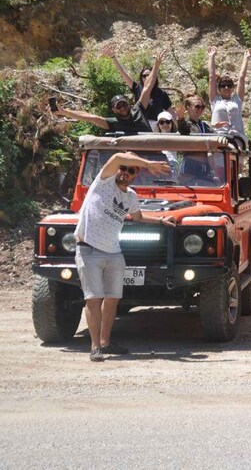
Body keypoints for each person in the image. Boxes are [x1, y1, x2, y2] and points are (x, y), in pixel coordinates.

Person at [74, 152, 175, 361]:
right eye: (124, 169)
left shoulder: (130, 196)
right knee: (93, 299)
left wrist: (161, 221)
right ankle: (95, 348)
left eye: (131, 171)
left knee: (112, 299)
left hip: (114, 252)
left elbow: (137, 217)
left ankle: (105, 343)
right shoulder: (103, 182)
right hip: (89, 249)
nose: (125, 173)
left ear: (135, 176)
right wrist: (147, 163)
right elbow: (119, 156)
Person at [103, 46, 173, 128]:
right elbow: (123, 73)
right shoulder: (137, 88)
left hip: (157, 126)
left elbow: (170, 111)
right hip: (140, 124)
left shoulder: (161, 93)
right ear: (141, 77)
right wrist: (113, 57)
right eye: (144, 76)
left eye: (149, 75)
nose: (147, 77)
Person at [208, 47, 250, 134]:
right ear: (219, 89)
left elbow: (241, 77)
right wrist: (211, 57)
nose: (226, 87)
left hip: (236, 136)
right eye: (223, 85)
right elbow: (212, 77)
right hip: (218, 137)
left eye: (229, 85)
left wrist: (246, 59)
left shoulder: (237, 100)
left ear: (232, 88)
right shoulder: (215, 100)